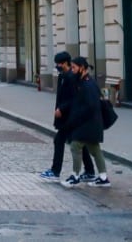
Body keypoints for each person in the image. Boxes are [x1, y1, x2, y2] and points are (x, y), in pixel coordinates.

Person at [39, 51, 96, 183]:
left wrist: (61, 108)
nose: (57, 66)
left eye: (59, 63)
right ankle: (89, 170)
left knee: (60, 140)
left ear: (66, 63)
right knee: (78, 142)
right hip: (66, 116)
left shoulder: (71, 77)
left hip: (70, 116)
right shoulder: (63, 76)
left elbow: (74, 98)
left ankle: (55, 171)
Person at [61, 56, 111, 188]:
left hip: (88, 123)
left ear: (82, 68)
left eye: (74, 68)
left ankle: (75, 176)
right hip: (91, 123)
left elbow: (91, 106)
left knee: (75, 146)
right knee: (95, 149)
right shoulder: (84, 82)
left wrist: (77, 118)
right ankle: (103, 177)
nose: (72, 70)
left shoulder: (88, 84)